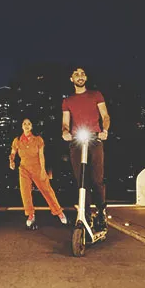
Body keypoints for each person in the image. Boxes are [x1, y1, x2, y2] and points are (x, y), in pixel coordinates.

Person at [61, 67, 110, 231]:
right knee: (82, 180)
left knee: (97, 179)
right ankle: (86, 215)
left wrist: (105, 130)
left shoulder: (96, 95)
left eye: (82, 74)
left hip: (95, 139)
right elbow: (66, 123)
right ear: (71, 79)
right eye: (76, 74)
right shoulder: (67, 101)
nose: (79, 76)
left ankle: (101, 212)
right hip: (77, 141)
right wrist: (65, 132)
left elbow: (105, 115)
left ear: (86, 78)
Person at [10, 118, 67, 228]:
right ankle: (31, 215)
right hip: (23, 168)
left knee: (47, 190)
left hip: (37, 167)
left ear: (32, 126)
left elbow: (41, 156)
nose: (26, 126)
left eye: (29, 124)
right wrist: (11, 161)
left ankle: (59, 212)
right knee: (25, 192)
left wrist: (42, 170)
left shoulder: (38, 139)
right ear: (21, 126)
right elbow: (13, 153)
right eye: (24, 123)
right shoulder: (17, 140)